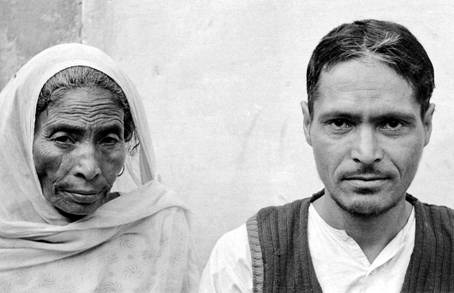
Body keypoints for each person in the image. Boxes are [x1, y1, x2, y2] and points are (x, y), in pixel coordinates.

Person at [199, 19, 454, 293]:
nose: (366, 154)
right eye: (341, 123)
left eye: (391, 124)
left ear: (426, 125)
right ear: (308, 123)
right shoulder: (243, 259)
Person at [0, 43, 198, 292]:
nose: (90, 167)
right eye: (63, 138)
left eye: (109, 140)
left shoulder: (157, 230)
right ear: (21, 143)